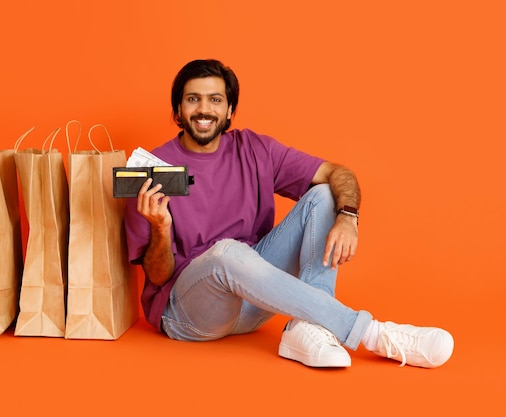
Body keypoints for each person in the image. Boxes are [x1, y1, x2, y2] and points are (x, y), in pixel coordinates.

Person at [124, 59, 454, 368]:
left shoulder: (253, 149)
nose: (204, 109)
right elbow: (157, 277)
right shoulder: (152, 168)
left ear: (229, 111)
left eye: (215, 100)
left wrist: (348, 217)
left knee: (325, 194)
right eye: (193, 99)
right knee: (227, 252)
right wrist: (160, 227)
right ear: (177, 111)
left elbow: (337, 172)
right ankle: (373, 334)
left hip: (256, 300)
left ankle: (308, 329)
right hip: (191, 315)